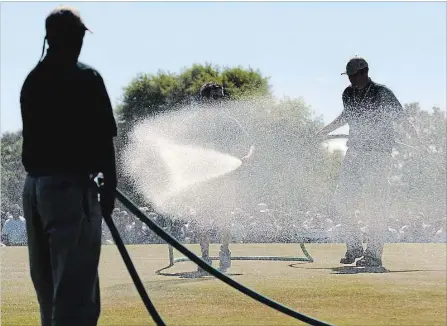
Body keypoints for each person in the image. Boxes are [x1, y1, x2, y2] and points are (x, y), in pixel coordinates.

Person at [20, 6, 117, 326]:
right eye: (77, 36)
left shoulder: (32, 81)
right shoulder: (86, 78)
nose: (81, 43)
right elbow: (104, 141)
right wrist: (109, 190)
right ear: (70, 39)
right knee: (75, 295)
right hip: (69, 190)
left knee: (48, 293)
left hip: (35, 190)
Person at [317, 57, 424, 267]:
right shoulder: (348, 93)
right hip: (355, 153)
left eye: (353, 76)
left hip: (378, 155)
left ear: (364, 73)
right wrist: (323, 131)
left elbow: (403, 119)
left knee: (376, 204)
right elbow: (344, 117)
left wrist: (419, 143)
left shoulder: (382, 93)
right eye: (348, 77)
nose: (350, 80)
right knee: (343, 201)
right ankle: (354, 246)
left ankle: (374, 254)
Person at [193, 82, 255, 273]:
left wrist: (248, 157)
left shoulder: (229, 121)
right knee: (202, 219)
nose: (220, 101)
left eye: (222, 97)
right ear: (205, 100)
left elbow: (250, 143)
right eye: (215, 97)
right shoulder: (196, 122)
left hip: (226, 178)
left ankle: (224, 252)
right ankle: (204, 257)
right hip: (203, 180)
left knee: (224, 218)